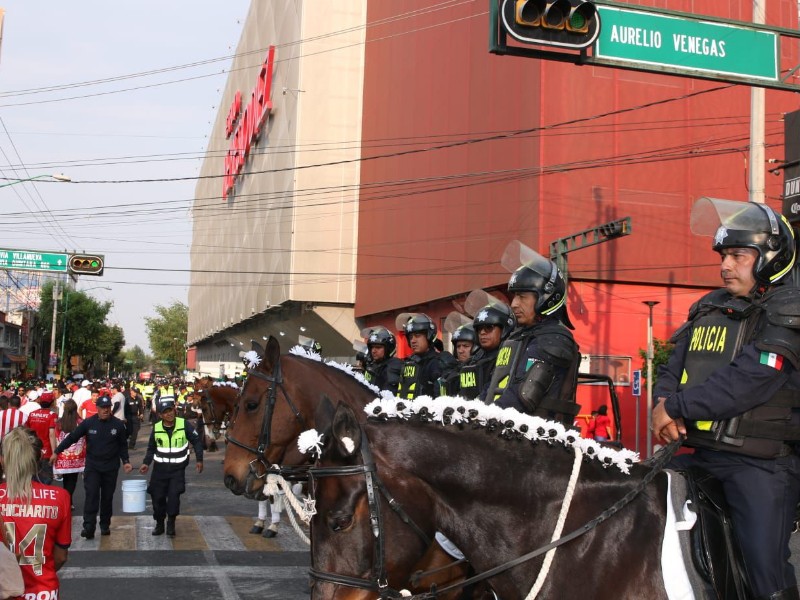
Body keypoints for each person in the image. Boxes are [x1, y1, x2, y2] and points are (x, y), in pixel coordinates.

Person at [652, 198, 800, 600]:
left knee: (763, 571)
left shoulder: (788, 309)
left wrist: (675, 408)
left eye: (738, 255)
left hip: (759, 464)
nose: (725, 265)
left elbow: (749, 380)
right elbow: (671, 368)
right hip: (698, 452)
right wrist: (662, 403)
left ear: (770, 257)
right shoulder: (708, 308)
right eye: (723, 255)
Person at [485, 244, 581, 426]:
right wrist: (472, 412)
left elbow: (523, 396)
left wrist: (483, 418)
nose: (514, 304)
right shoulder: (519, 337)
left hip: (537, 436)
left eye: (522, 297)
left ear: (547, 298)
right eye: (514, 296)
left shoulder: (554, 339)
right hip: (504, 428)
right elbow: (490, 388)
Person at [0, 427, 71, 599]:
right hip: (44, 590)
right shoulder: (60, 497)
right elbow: (60, 556)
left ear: (3, 460)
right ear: (39, 458)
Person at [50, 394, 132, 539]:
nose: (105, 410)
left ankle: (105, 525)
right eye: (103, 407)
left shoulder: (118, 425)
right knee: (91, 496)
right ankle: (89, 527)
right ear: (97, 408)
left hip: (110, 468)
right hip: (93, 467)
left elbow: (122, 446)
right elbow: (72, 437)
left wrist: (126, 461)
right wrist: (57, 451)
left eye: (108, 407)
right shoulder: (88, 423)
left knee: (107, 497)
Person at [139, 397, 203, 537]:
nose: (169, 414)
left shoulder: (183, 424)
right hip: (159, 471)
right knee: (157, 498)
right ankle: (159, 524)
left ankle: (171, 524)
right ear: (160, 415)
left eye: (171, 410)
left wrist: (199, 459)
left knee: (174, 498)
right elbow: (151, 448)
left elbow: (197, 441)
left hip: (177, 470)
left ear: (175, 410)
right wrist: (146, 463)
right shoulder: (157, 428)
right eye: (165, 412)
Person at [457, 300, 514, 400]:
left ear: (504, 329)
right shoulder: (473, 360)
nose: (482, 332)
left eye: (489, 327)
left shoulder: (513, 355)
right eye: (479, 329)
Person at [396, 313, 445, 399]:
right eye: (410, 337)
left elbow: (440, 399)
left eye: (417, 336)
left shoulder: (437, 363)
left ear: (429, 336)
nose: (413, 341)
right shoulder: (408, 362)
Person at [53, 399, 86, 508]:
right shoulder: (80, 422)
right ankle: (67, 501)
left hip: (63, 456)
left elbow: (56, 438)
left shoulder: (59, 423)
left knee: (66, 480)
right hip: (77, 457)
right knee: (72, 481)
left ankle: (68, 501)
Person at [25, 392, 58, 482]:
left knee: (32, 477)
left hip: (32, 450)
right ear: (52, 403)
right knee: (46, 478)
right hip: (46, 451)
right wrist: (54, 452)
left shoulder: (32, 414)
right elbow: (52, 434)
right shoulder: (52, 415)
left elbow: (27, 431)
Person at [362, 326, 403, 394]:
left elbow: (387, 395)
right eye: (372, 347)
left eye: (378, 347)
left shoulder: (394, 365)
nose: (373, 351)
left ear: (388, 348)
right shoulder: (373, 364)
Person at [124, 384, 144, 449]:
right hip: (129, 417)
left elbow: (140, 407)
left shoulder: (138, 399)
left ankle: (131, 445)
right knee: (129, 431)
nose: (135, 393)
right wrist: (124, 417)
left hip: (136, 416)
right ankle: (122, 442)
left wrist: (141, 413)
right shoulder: (127, 399)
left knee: (136, 430)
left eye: (136, 392)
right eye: (134, 392)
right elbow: (124, 409)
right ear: (131, 392)